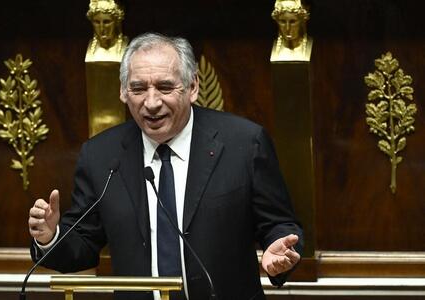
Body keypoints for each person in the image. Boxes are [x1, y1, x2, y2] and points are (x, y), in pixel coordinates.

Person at [28, 32, 303, 300]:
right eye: (138, 89)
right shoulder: (101, 155)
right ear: (123, 93)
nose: (151, 103)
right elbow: (84, 245)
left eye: (165, 87)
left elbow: (279, 223)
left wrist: (279, 251)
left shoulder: (244, 144)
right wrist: (51, 237)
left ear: (193, 87)